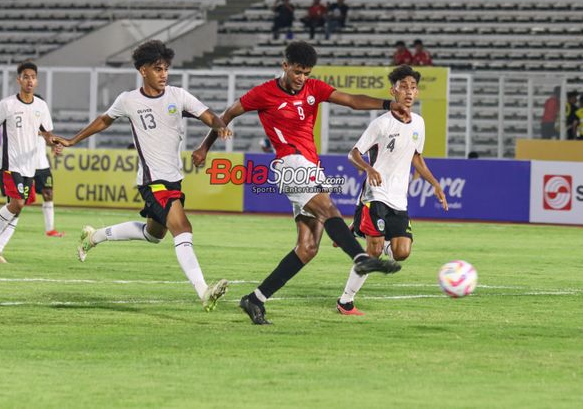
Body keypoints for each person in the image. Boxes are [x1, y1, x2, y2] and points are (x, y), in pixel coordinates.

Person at [192, 41, 407, 325]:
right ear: (285, 66)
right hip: (289, 164)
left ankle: (255, 299)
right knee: (329, 209)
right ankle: (358, 256)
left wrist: (387, 104)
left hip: (311, 167)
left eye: (306, 73)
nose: (301, 78)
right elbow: (228, 114)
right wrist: (205, 146)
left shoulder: (313, 89)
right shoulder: (264, 93)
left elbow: (352, 101)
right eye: (297, 71)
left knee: (307, 248)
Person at [52, 40, 231, 312]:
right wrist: (73, 140)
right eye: (158, 69)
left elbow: (209, 116)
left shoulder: (178, 96)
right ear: (143, 70)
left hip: (173, 179)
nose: (164, 74)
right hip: (152, 181)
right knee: (182, 228)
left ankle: (94, 237)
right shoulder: (128, 100)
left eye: (166, 69)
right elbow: (103, 120)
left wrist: (220, 128)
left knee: (154, 234)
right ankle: (203, 291)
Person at [336, 66, 448, 315]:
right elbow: (353, 153)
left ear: (417, 92)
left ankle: (362, 228)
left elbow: (417, 158)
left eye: (412, 87)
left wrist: (435, 184)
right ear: (393, 91)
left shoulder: (419, 123)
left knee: (402, 253)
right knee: (373, 250)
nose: (409, 91)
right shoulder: (381, 123)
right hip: (375, 193)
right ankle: (346, 301)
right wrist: (368, 168)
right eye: (403, 86)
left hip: (399, 199)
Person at [0, 60, 61, 263]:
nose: (29, 80)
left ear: (37, 81)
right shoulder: (7, 104)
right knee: (16, 203)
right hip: (10, 163)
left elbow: (47, 134)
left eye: (33, 77)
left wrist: (56, 145)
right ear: (19, 80)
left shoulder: (41, 106)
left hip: (29, 167)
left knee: (18, 207)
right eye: (26, 77)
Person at [34, 134, 65, 237]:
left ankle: (50, 230)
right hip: (24, 163)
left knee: (48, 194)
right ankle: (3, 227)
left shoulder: (45, 117)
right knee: (18, 200)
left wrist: (54, 145)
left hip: (42, 165)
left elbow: (48, 135)